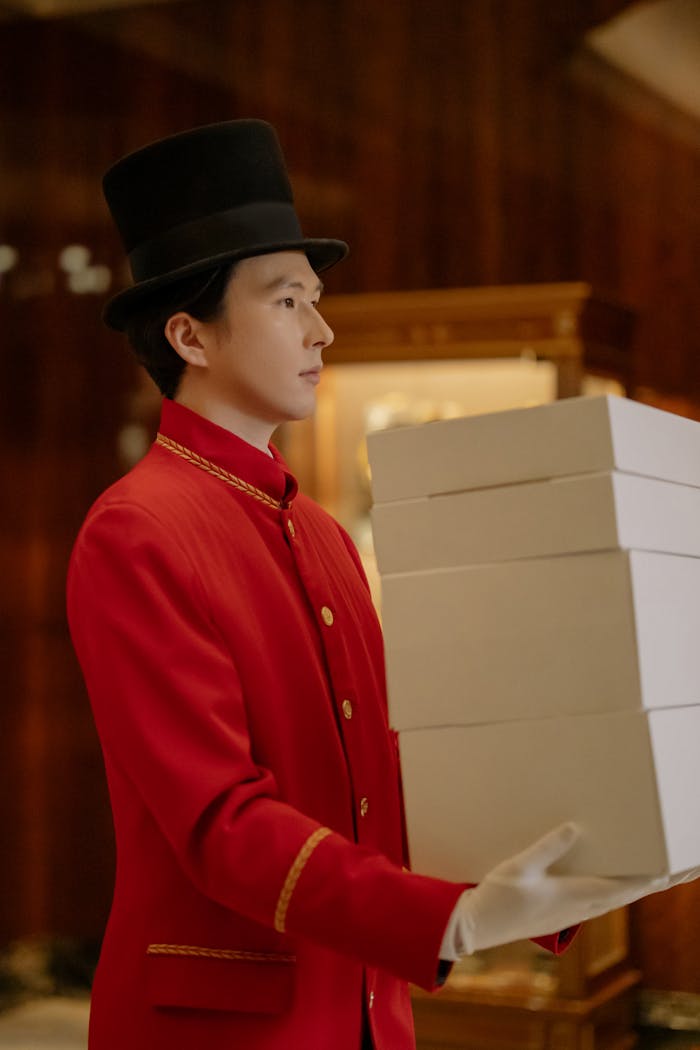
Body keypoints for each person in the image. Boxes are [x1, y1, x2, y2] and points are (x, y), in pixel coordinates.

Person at [67, 120, 694, 1050]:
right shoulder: (134, 531)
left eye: (316, 299)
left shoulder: (318, 529)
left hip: (365, 1013)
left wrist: (572, 862)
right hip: (225, 1028)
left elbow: (391, 773)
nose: (322, 329)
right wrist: (450, 922)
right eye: (287, 302)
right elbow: (222, 824)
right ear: (189, 334)